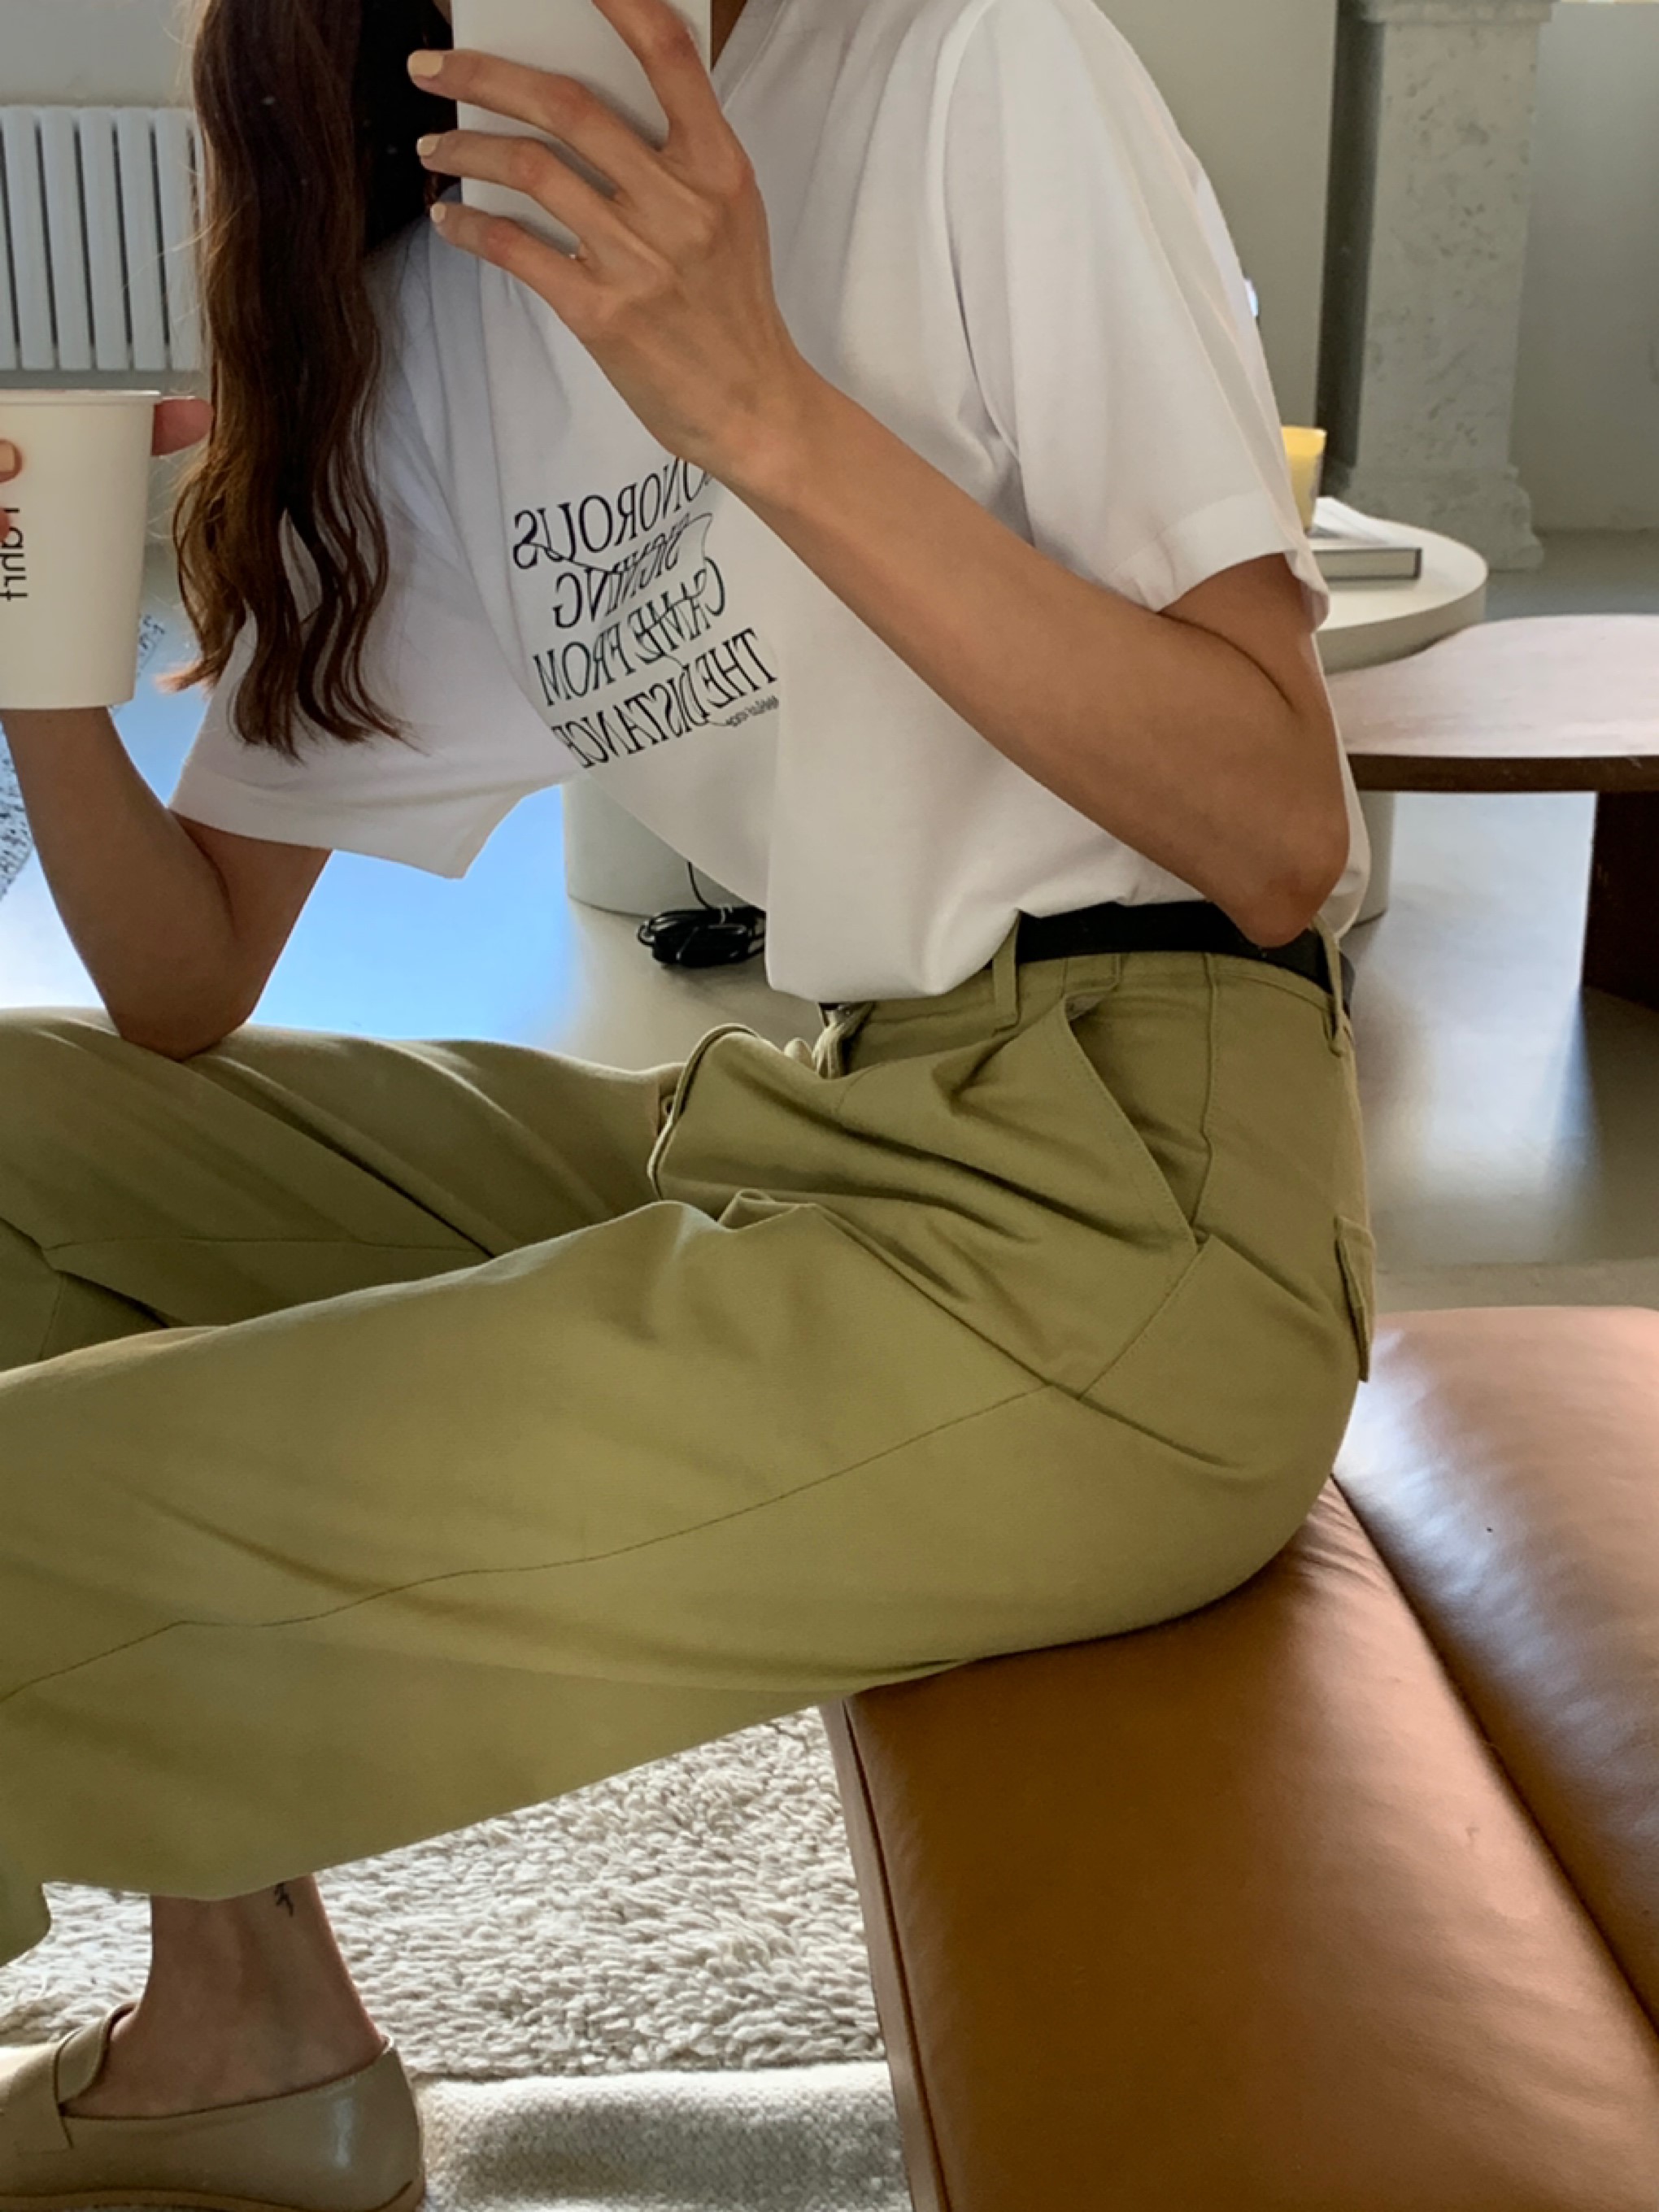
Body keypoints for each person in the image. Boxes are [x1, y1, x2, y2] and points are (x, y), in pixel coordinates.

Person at [0, 0, 1374, 2201]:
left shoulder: (965, 69)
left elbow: (1277, 827)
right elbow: (184, 980)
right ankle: (237, 2027)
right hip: (830, 1125)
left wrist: (758, 404)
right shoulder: (459, 278)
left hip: (1137, 1212)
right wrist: (33, 634)